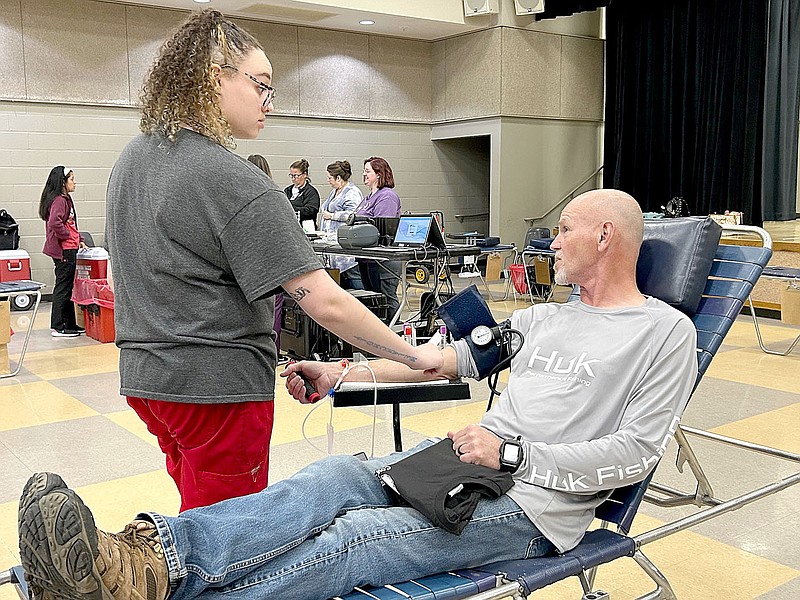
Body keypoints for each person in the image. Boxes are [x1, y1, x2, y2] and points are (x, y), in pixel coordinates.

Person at [18, 189, 699, 600]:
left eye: (568, 230)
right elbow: (438, 362)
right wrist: (340, 374)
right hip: (465, 468)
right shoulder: (541, 318)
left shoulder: (662, 333)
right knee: (334, 475)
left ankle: (141, 587)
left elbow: (636, 456)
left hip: (535, 511)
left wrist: (514, 456)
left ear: (606, 235)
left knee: (356, 540)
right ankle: (147, 559)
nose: (554, 242)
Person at [102, 9, 442, 512]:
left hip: (147, 382)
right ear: (216, 78)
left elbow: (123, 271)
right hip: (216, 391)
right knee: (232, 538)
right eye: (261, 85)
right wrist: (417, 358)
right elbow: (324, 302)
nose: (267, 103)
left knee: (198, 513)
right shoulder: (233, 178)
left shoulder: (132, 158)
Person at [38, 166, 87, 337]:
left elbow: (71, 224)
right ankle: (58, 326)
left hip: (71, 247)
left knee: (68, 287)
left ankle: (70, 324)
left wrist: (79, 239)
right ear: (63, 182)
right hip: (64, 250)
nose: (75, 182)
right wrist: (67, 237)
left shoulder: (67, 199)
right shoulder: (59, 200)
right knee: (63, 287)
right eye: (72, 179)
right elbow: (55, 223)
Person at [354, 156, 402, 319]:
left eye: (368, 171)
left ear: (379, 174)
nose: (364, 174)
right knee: (374, 300)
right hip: (367, 258)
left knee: (386, 300)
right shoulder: (367, 198)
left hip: (383, 260)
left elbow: (382, 228)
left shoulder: (387, 196)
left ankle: (396, 334)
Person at [319, 160, 364, 289]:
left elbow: (353, 214)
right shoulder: (334, 192)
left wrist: (332, 216)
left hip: (346, 251)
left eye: (329, 177)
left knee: (354, 280)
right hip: (333, 246)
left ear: (338, 177)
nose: (328, 180)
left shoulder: (352, 192)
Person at [284, 158, 320, 224]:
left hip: (305, 227)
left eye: (296, 176)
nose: (293, 179)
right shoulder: (287, 190)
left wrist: (291, 209)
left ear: (304, 175)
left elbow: (311, 211)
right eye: (291, 175)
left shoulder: (311, 192)